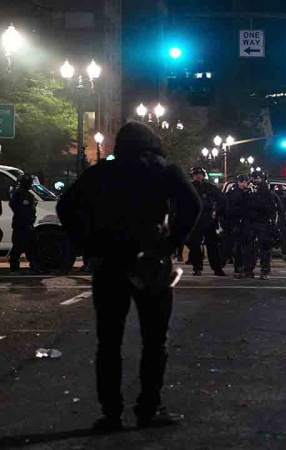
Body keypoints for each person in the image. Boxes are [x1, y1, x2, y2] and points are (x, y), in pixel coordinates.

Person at [57, 122, 201, 431]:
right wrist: (172, 242)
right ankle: (149, 407)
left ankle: (111, 413)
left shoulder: (102, 172)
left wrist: (88, 244)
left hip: (109, 260)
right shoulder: (164, 170)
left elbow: (66, 206)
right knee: (154, 340)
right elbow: (193, 204)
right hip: (151, 260)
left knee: (109, 342)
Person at [187, 167, 226, 277]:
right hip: (194, 219)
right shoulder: (189, 187)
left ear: (203, 175)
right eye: (196, 174)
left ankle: (217, 268)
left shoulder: (210, 187)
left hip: (208, 219)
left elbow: (222, 200)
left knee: (212, 245)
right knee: (195, 245)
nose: (198, 176)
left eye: (200, 174)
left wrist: (217, 212)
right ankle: (197, 268)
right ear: (192, 176)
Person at [248, 170, 279, 280]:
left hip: (263, 222)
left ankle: (265, 270)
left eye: (257, 178)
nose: (255, 180)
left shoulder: (267, 193)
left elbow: (271, 209)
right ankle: (248, 270)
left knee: (264, 248)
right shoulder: (249, 191)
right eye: (254, 178)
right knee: (250, 248)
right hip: (250, 223)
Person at [9, 174, 38, 274]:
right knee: (18, 246)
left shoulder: (25, 195)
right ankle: (15, 268)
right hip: (21, 224)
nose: (30, 185)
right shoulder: (19, 195)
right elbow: (19, 209)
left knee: (30, 246)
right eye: (29, 183)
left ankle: (33, 266)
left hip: (25, 224)